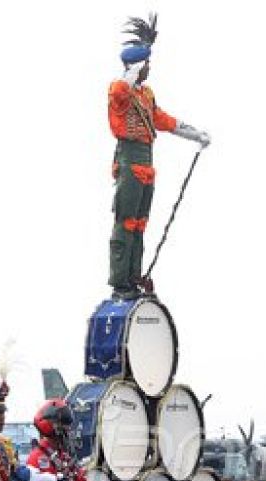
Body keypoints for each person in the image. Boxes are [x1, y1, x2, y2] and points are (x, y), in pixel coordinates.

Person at [107, 13, 211, 299]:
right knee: (126, 221)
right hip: (129, 158)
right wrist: (132, 68)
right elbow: (119, 90)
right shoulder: (121, 91)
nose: (149, 69)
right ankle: (120, 281)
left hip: (146, 161)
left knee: (140, 223)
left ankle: (134, 276)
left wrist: (195, 133)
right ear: (137, 66)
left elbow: (163, 120)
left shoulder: (145, 95)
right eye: (146, 65)